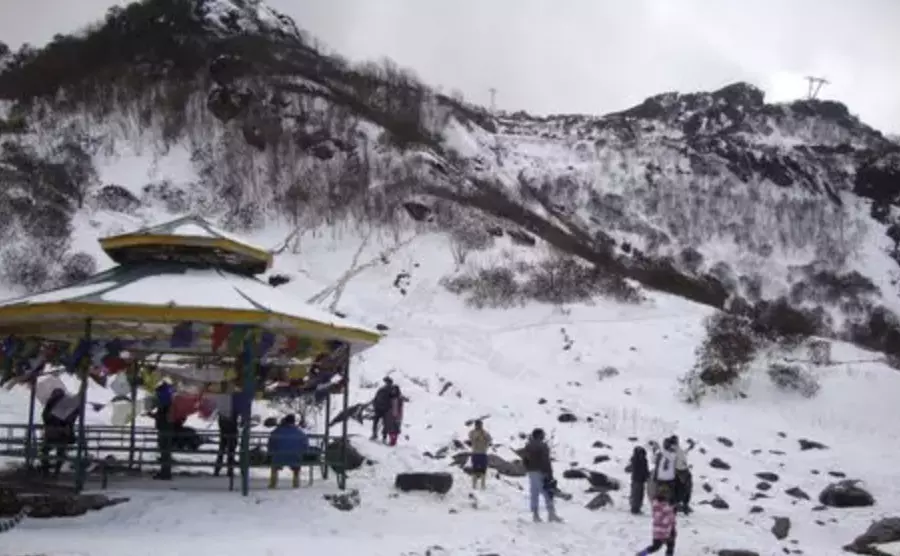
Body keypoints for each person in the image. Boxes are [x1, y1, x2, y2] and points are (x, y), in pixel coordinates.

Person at [521, 428, 562, 523]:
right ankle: (551, 514)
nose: (544, 436)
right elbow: (546, 461)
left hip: (531, 472)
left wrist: (528, 469)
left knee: (534, 493)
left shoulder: (528, 446)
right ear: (540, 435)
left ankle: (535, 515)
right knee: (547, 492)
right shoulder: (543, 446)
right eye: (543, 435)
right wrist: (549, 474)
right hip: (541, 471)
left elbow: (525, 460)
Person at [267, 414, 309, 489]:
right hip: (295, 457)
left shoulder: (277, 431)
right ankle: (296, 483)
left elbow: (271, 445)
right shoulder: (300, 432)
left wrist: (271, 452)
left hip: (279, 457)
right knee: (296, 466)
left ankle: (273, 483)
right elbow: (305, 446)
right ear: (294, 422)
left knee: (274, 465)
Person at [40, 388, 74, 478]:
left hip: (52, 431)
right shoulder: (66, 404)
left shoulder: (51, 403)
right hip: (61, 432)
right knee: (60, 452)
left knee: (45, 451)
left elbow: (44, 416)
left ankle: (46, 471)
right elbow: (70, 419)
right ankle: (55, 472)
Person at [636, 485, 677, 555]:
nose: (667, 495)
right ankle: (641, 554)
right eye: (665, 493)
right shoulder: (657, 504)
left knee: (671, 546)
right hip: (660, 531)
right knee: (656, 547)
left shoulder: (666, 504)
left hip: (669, 529)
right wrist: (672, 509)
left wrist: (673, 510)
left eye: (667, 493)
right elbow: (662, 517)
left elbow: (671, 517)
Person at [150, 382, 174, 481]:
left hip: (164, 429)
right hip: (166, 428)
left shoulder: (165, 405)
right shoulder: (168, 403)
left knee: (165, 451)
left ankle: (165, 472)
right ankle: (165, 471)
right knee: (165, 452)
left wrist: (152, 415)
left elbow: (162, 417)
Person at [670, 435, 695, 514]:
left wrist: (689, 448)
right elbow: (680, 457)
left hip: (680, 470)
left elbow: (683, 454)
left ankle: (680, 505)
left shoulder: (675, 449)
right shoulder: (674, 450)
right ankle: (683, 505)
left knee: (681, 488)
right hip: (680, 471)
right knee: (685, 488)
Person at [468, 419, 492, 489]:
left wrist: (484, 434)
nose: (479, 426)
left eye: (480, 425)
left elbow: (489, 439)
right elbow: (471, 437)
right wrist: (478, 435)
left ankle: (483, 485)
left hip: (483, 453)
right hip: (475, 453)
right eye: (477, 424)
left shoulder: (485, 432)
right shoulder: (472, 432)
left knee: (483, 470)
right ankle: (474, 485)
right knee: (475, 469)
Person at [626, 445, 650, 514]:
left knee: (639, 494)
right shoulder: (637, 460)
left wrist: (646, 475)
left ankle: (637, 507)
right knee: (636, 494)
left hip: (638, 480)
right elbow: (642, 470)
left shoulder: (641, 460)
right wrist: (646, 475)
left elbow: (644, 469)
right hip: (637, 479)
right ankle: (635, 508)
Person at [213, 412, 238, 478]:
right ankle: (229, 471)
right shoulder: (232, 411)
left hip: (224, 432)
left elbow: (220, 423)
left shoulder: (223, 412)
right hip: (231, 432)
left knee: (222, 451)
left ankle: (217, 470)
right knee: (230, 452)